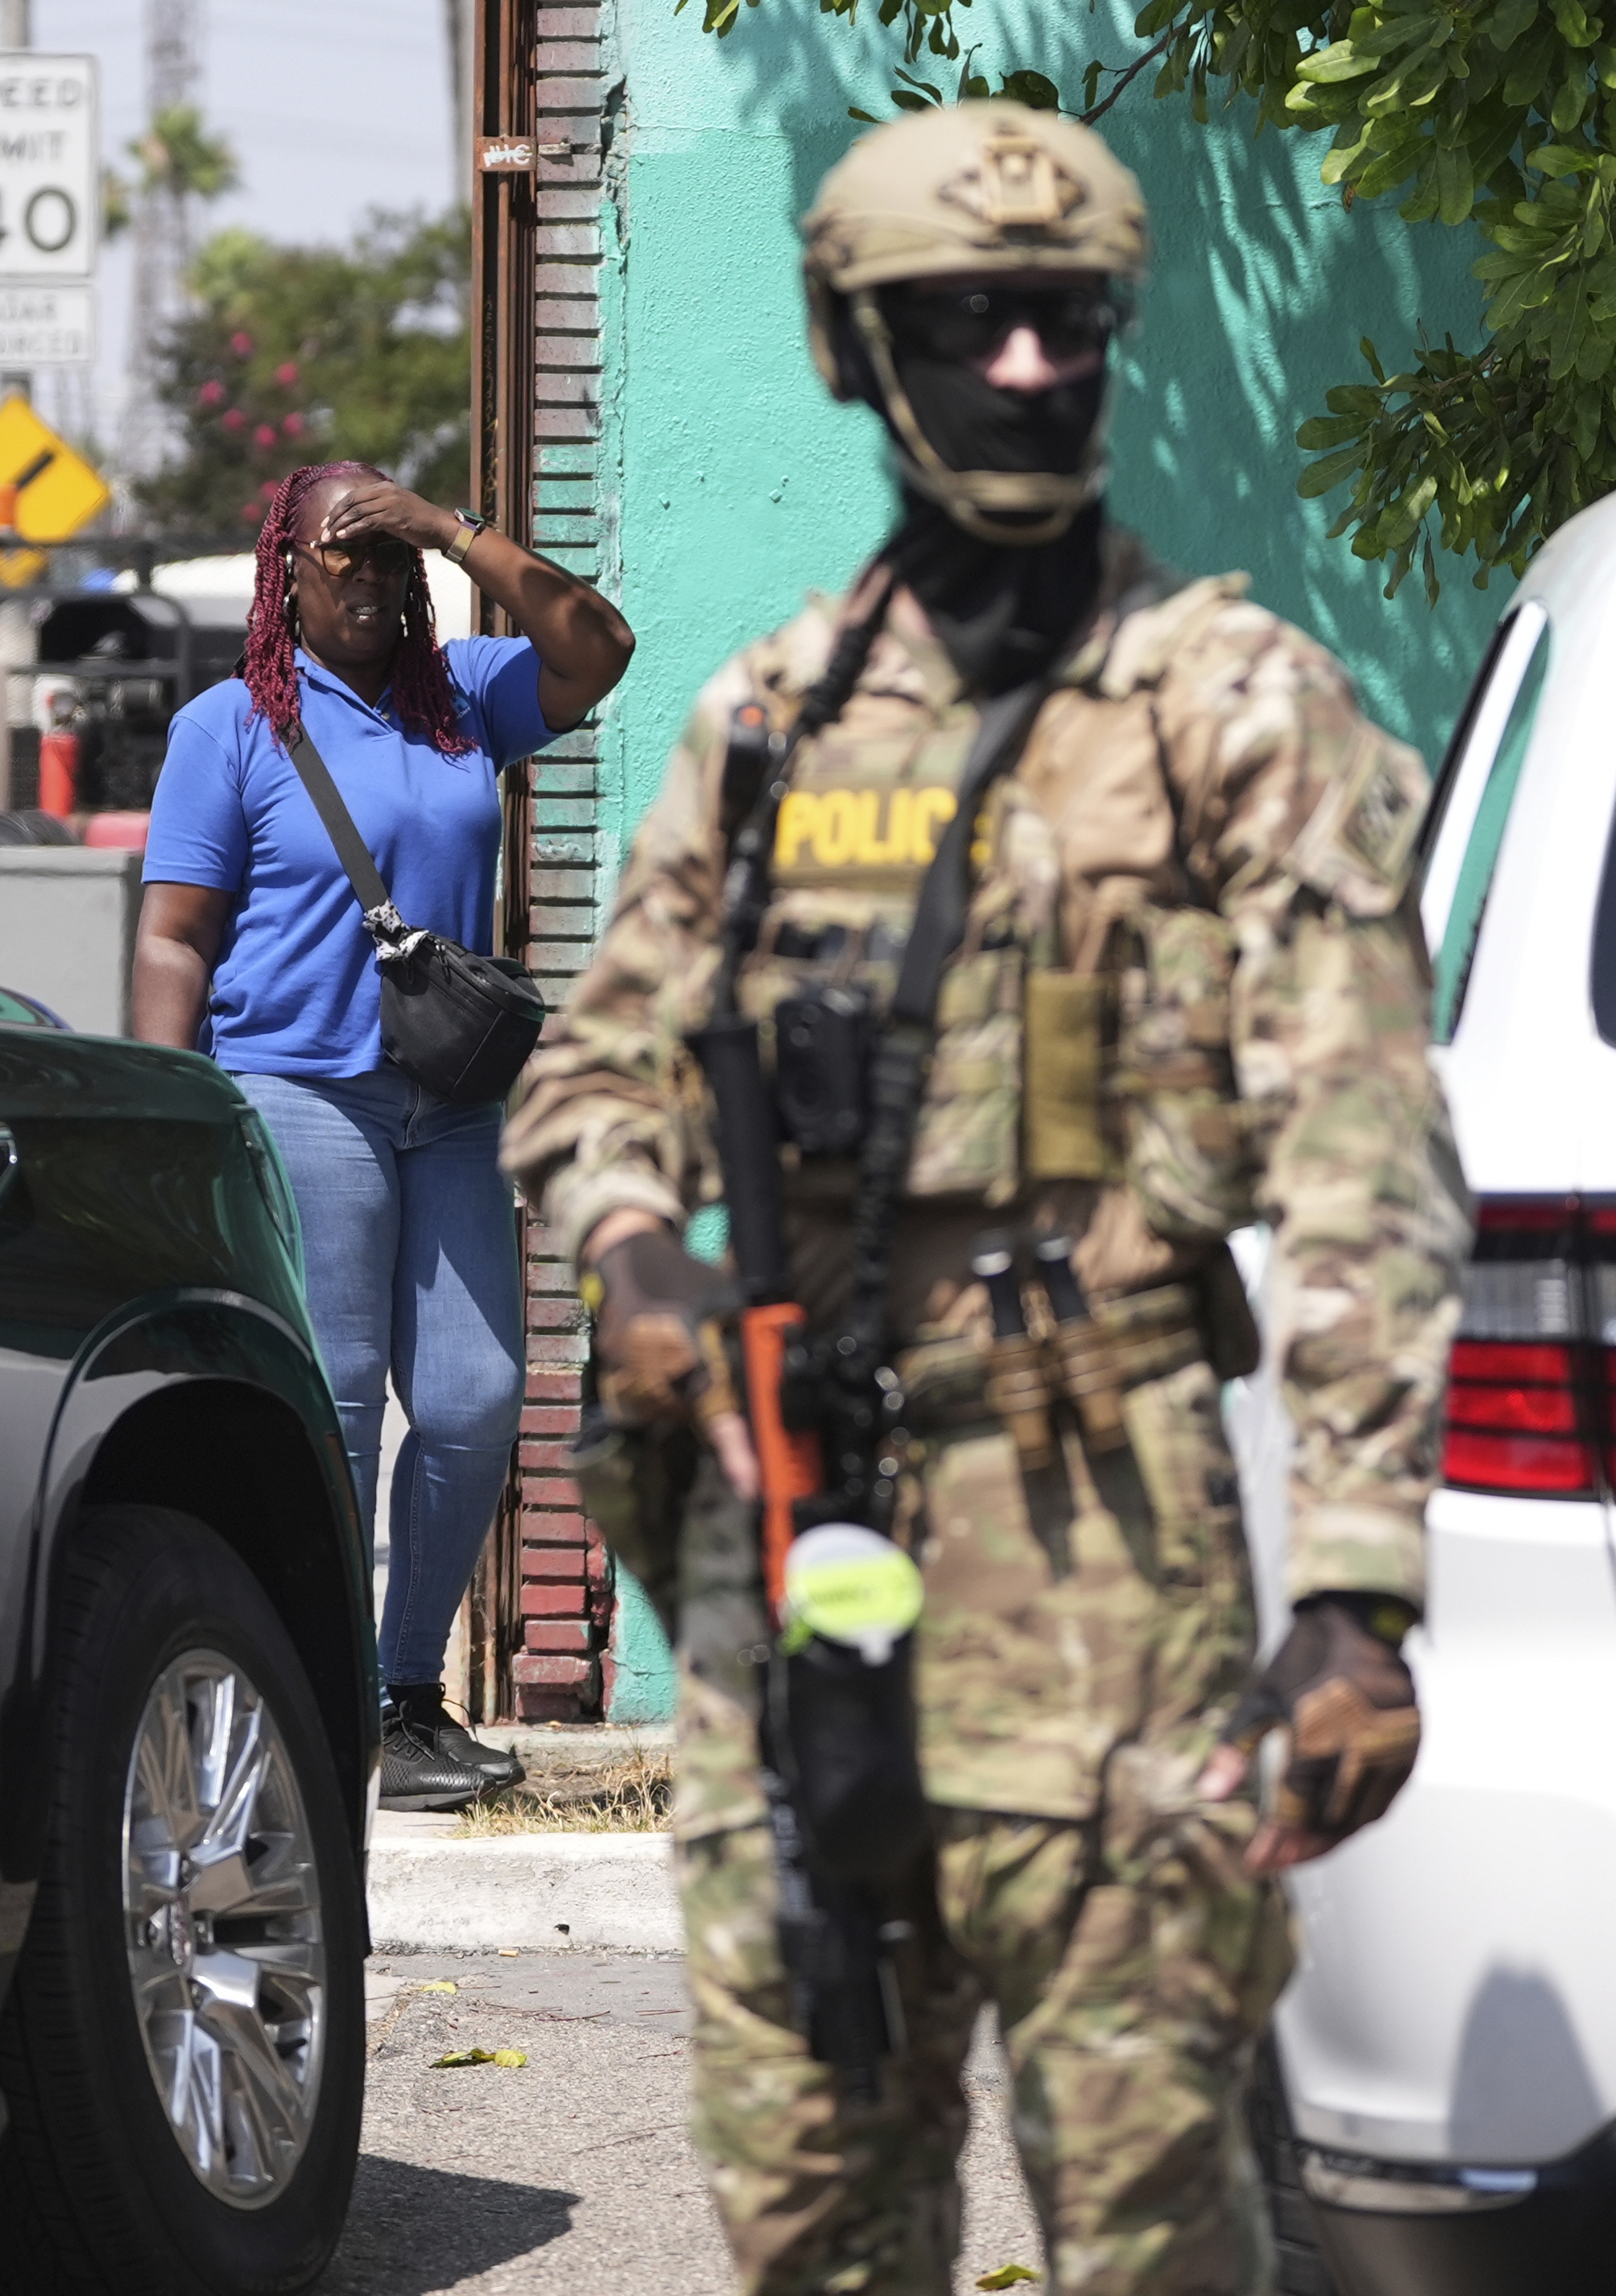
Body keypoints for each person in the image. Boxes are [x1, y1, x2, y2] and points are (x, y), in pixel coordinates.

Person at [502, 101, 1468, 2291]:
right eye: (963, 322)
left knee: (1148, 2222)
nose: (1023, 367)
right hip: (792, 1543)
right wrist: (633, 1240)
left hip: (1106, 1564)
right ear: (859, 353)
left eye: (1064, 322)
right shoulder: (767, 726)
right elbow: (592, 1063)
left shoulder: (1233, 707)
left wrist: (1357, 1582)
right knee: (814, 2213)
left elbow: (1360, 1155)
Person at [134, 460, 634, 1810]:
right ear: (283, 576)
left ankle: (409, 1701)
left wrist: (442, 527)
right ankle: (320, 1698)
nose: (364, 581)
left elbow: (601, 647)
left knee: (474, 1401)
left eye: (384, 560)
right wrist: (169, 1117)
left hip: (452, 1101)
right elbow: (175, 938)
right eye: (337, 558)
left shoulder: (466, 699)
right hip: (299, 1088)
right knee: (341, 1405)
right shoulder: (232, 726)